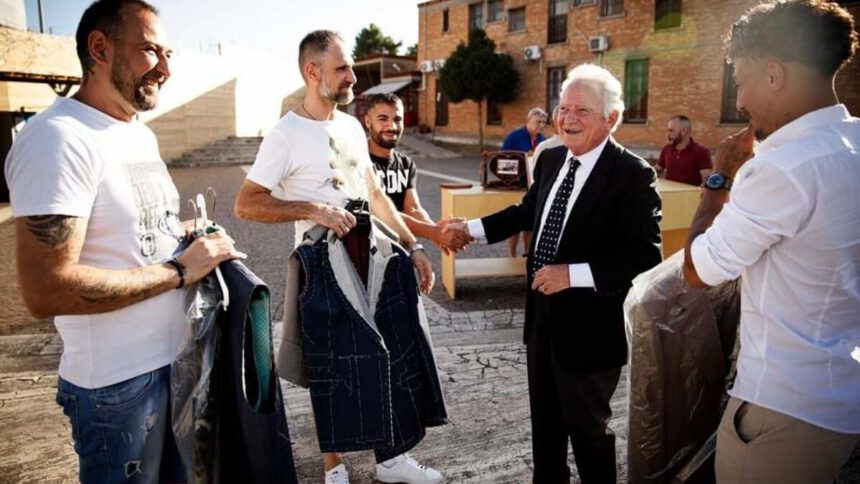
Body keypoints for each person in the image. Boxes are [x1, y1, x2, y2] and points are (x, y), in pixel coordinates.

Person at [3, 0, 245, 481]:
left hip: (174, 364)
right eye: (151, 51)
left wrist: (184, 237)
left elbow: (134, 232)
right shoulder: (57, 139)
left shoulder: (135, 133)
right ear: (100, 48)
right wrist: (180, 271)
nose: (167, 69)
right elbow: (46, 289)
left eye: (169, 53)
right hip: (117, 388)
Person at [233, 30, 442, 484]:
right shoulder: (285, 135)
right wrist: (313, 209)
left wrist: (415, 246)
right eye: (342, 68)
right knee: (332, 367)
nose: (352, 76)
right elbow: (246, 202)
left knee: (386, 355)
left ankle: (390, 459)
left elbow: (374, 196)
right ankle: (334, 468)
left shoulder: (349, 126)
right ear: (313, 72)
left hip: (370, 256)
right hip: (321, 265)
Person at [446, 64, 662, 483]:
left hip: (591, 330)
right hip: (541, 321)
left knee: (589, 435)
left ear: (611, 119)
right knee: (545, 430)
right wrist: (468, 229)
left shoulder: (633, 175)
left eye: (582, 109)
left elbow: (645, 256)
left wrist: (573, 274)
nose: (567, 118)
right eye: (563, 108)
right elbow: (527, 211)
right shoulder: (551, 159)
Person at [683, 1, 860, 483]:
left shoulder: (781, 167)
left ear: (774, 74)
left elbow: (699, 271)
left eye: (740, 80)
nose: (739, 100)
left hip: (780, 409)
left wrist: (719, 177)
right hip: (840, 398)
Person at [364, 92, 471, 254]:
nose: (391, 126)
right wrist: (433, 232)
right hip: (367, 251)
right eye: (383, 119)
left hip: (401, 249)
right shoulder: (359, 160)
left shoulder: (406, 164)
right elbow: (380, 214)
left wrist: (436, 230)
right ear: (367, 121)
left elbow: (413, 208)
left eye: (397, 120)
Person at [502, 107, 548, 257]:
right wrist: (523, 156)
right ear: (528, 121)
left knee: (529, 222)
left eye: (543, 122)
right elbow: (503, 160)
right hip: (516, 184)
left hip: (533, 185)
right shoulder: (514, 137)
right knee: (515, 221)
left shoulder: (542, 140)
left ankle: (527, 254)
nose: (541, 125)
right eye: (538, 121)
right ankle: (512, 254)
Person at [655, 115, 712, 186]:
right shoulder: (666, 149)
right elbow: (656, 171)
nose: (668, 134)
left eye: (671, 130)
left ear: (684, 131)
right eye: (668, 130)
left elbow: (706, 180)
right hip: (669, 195)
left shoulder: (701, 152)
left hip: (691, 196)